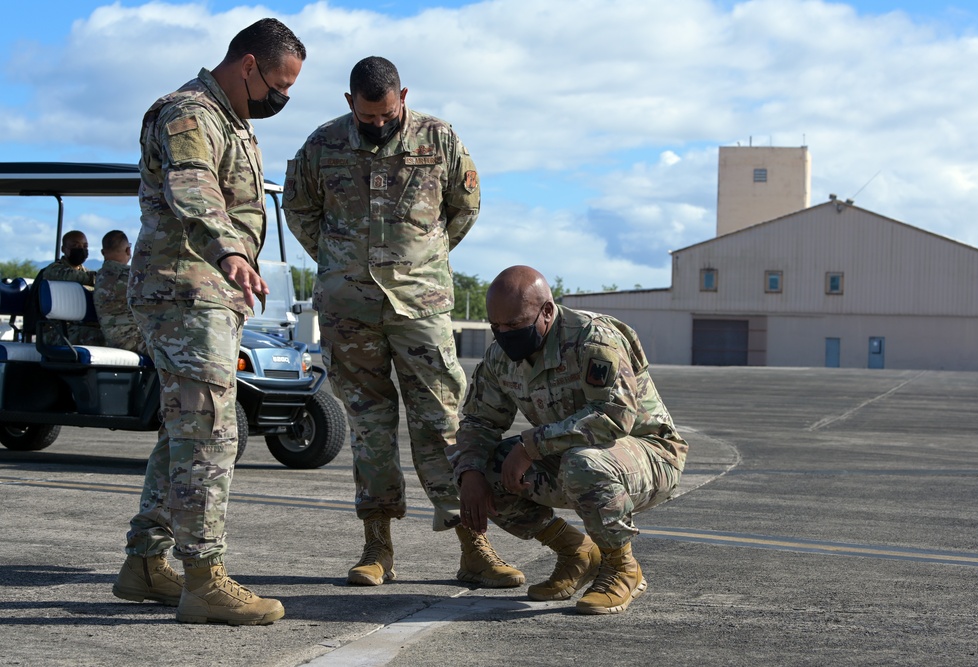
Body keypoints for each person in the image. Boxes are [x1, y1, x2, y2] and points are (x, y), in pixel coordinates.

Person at [282, 56, 521, 588]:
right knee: (369, 428)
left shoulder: (439, 139)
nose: (379, 125)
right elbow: (299, 210)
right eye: (367, 118)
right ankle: (377, 548)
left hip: (420, 305)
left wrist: (423, 261)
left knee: (443, 423)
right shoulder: (322, 146)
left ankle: (473, 547)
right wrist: (339, 262)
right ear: (351, 104)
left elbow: (465, 205)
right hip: (350, 310)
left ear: (403, 96)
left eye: (387, 114)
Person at [112, 18, 305, 626]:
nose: (282, 97)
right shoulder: (188, 113)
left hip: (208, 293)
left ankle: (145, 562)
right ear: (248, 65)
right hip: (184, 289)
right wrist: (228, 252)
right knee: (213, 432)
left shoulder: (234, 121)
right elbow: (193, 190)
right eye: (278, 82)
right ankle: (204, 578)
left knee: (183, 432)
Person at [452, 266, 688, 615]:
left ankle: (621, 567)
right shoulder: (501, 355)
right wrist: (470, 474)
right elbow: (478, 421)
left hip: (649, 455)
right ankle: (575, 551)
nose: (503, 335)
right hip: (570, 455)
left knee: (585, 463)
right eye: (495, 327)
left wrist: (531, 445)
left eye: (514, 325)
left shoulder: (593, 339)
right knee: (484, 467)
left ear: (546, 311)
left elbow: (614, 415)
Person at [37, 230, 105, 345]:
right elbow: (79, 277)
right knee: (103, 338)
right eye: (75, 246)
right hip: (56, 330)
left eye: (85, 246)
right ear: (64, 249)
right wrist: (105, 277)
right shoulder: (54, 270)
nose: (81, 249)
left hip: (79, 326)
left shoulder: (85, 272)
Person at [93, 230, 146, 354]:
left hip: (117, 338)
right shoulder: (130, 276)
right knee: (177, 350)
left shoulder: (101, 275)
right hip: (131, 340)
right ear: (128, 251)